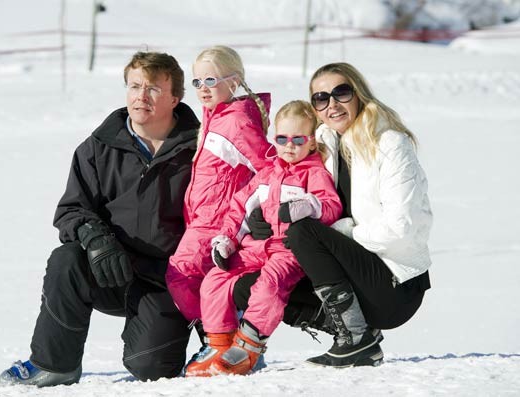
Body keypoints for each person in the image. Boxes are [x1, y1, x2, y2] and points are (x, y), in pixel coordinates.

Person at [0, 51, 201, 387]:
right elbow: (71, 210)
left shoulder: (200, 150)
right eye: (134, 86)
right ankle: (54, 364)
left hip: (168, 279)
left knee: (152, 369)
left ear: (175, 98)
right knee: (67, 259)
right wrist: (96, 238)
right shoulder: (97, 147)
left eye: (153, 89)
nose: (140, 96)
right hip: (110, 267)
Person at [235, 62, 432, 368]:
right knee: (252, 286)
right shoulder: (325, 140)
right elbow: (285, 176)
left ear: (358, 93)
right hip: (352, 277)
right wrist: (264, 218)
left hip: (395, 283)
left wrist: (342, 231)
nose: (332, 104)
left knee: (303, 231)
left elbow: (401, 228)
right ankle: (357, 332)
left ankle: (355, 339)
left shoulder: (390, 143)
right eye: (321, 98)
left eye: (341, 92)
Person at [184, 100, 342, 377]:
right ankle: (219, 344)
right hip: (255, 247)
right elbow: (239, 208)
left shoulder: (314, 173)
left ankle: (249, 346)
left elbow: (330, 204)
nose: (289, 146)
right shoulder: (268, 173)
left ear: (312, 143)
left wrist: (309, 206)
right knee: (215, 279)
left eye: (298, 139)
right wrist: (227, 240)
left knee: (269, 284)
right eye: (282, 138)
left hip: (288, 251)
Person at [165, 46, 272, 351]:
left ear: (234, 81)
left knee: (180, 274)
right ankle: (224, 338)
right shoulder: (217, 115)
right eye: (197, 82)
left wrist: (247, 209)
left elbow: (268, 169)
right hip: (203, 219)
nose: (202, 89)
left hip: (219, 221)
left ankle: (221, 338)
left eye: (210, 80)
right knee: (203, 280)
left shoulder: (236, 122)